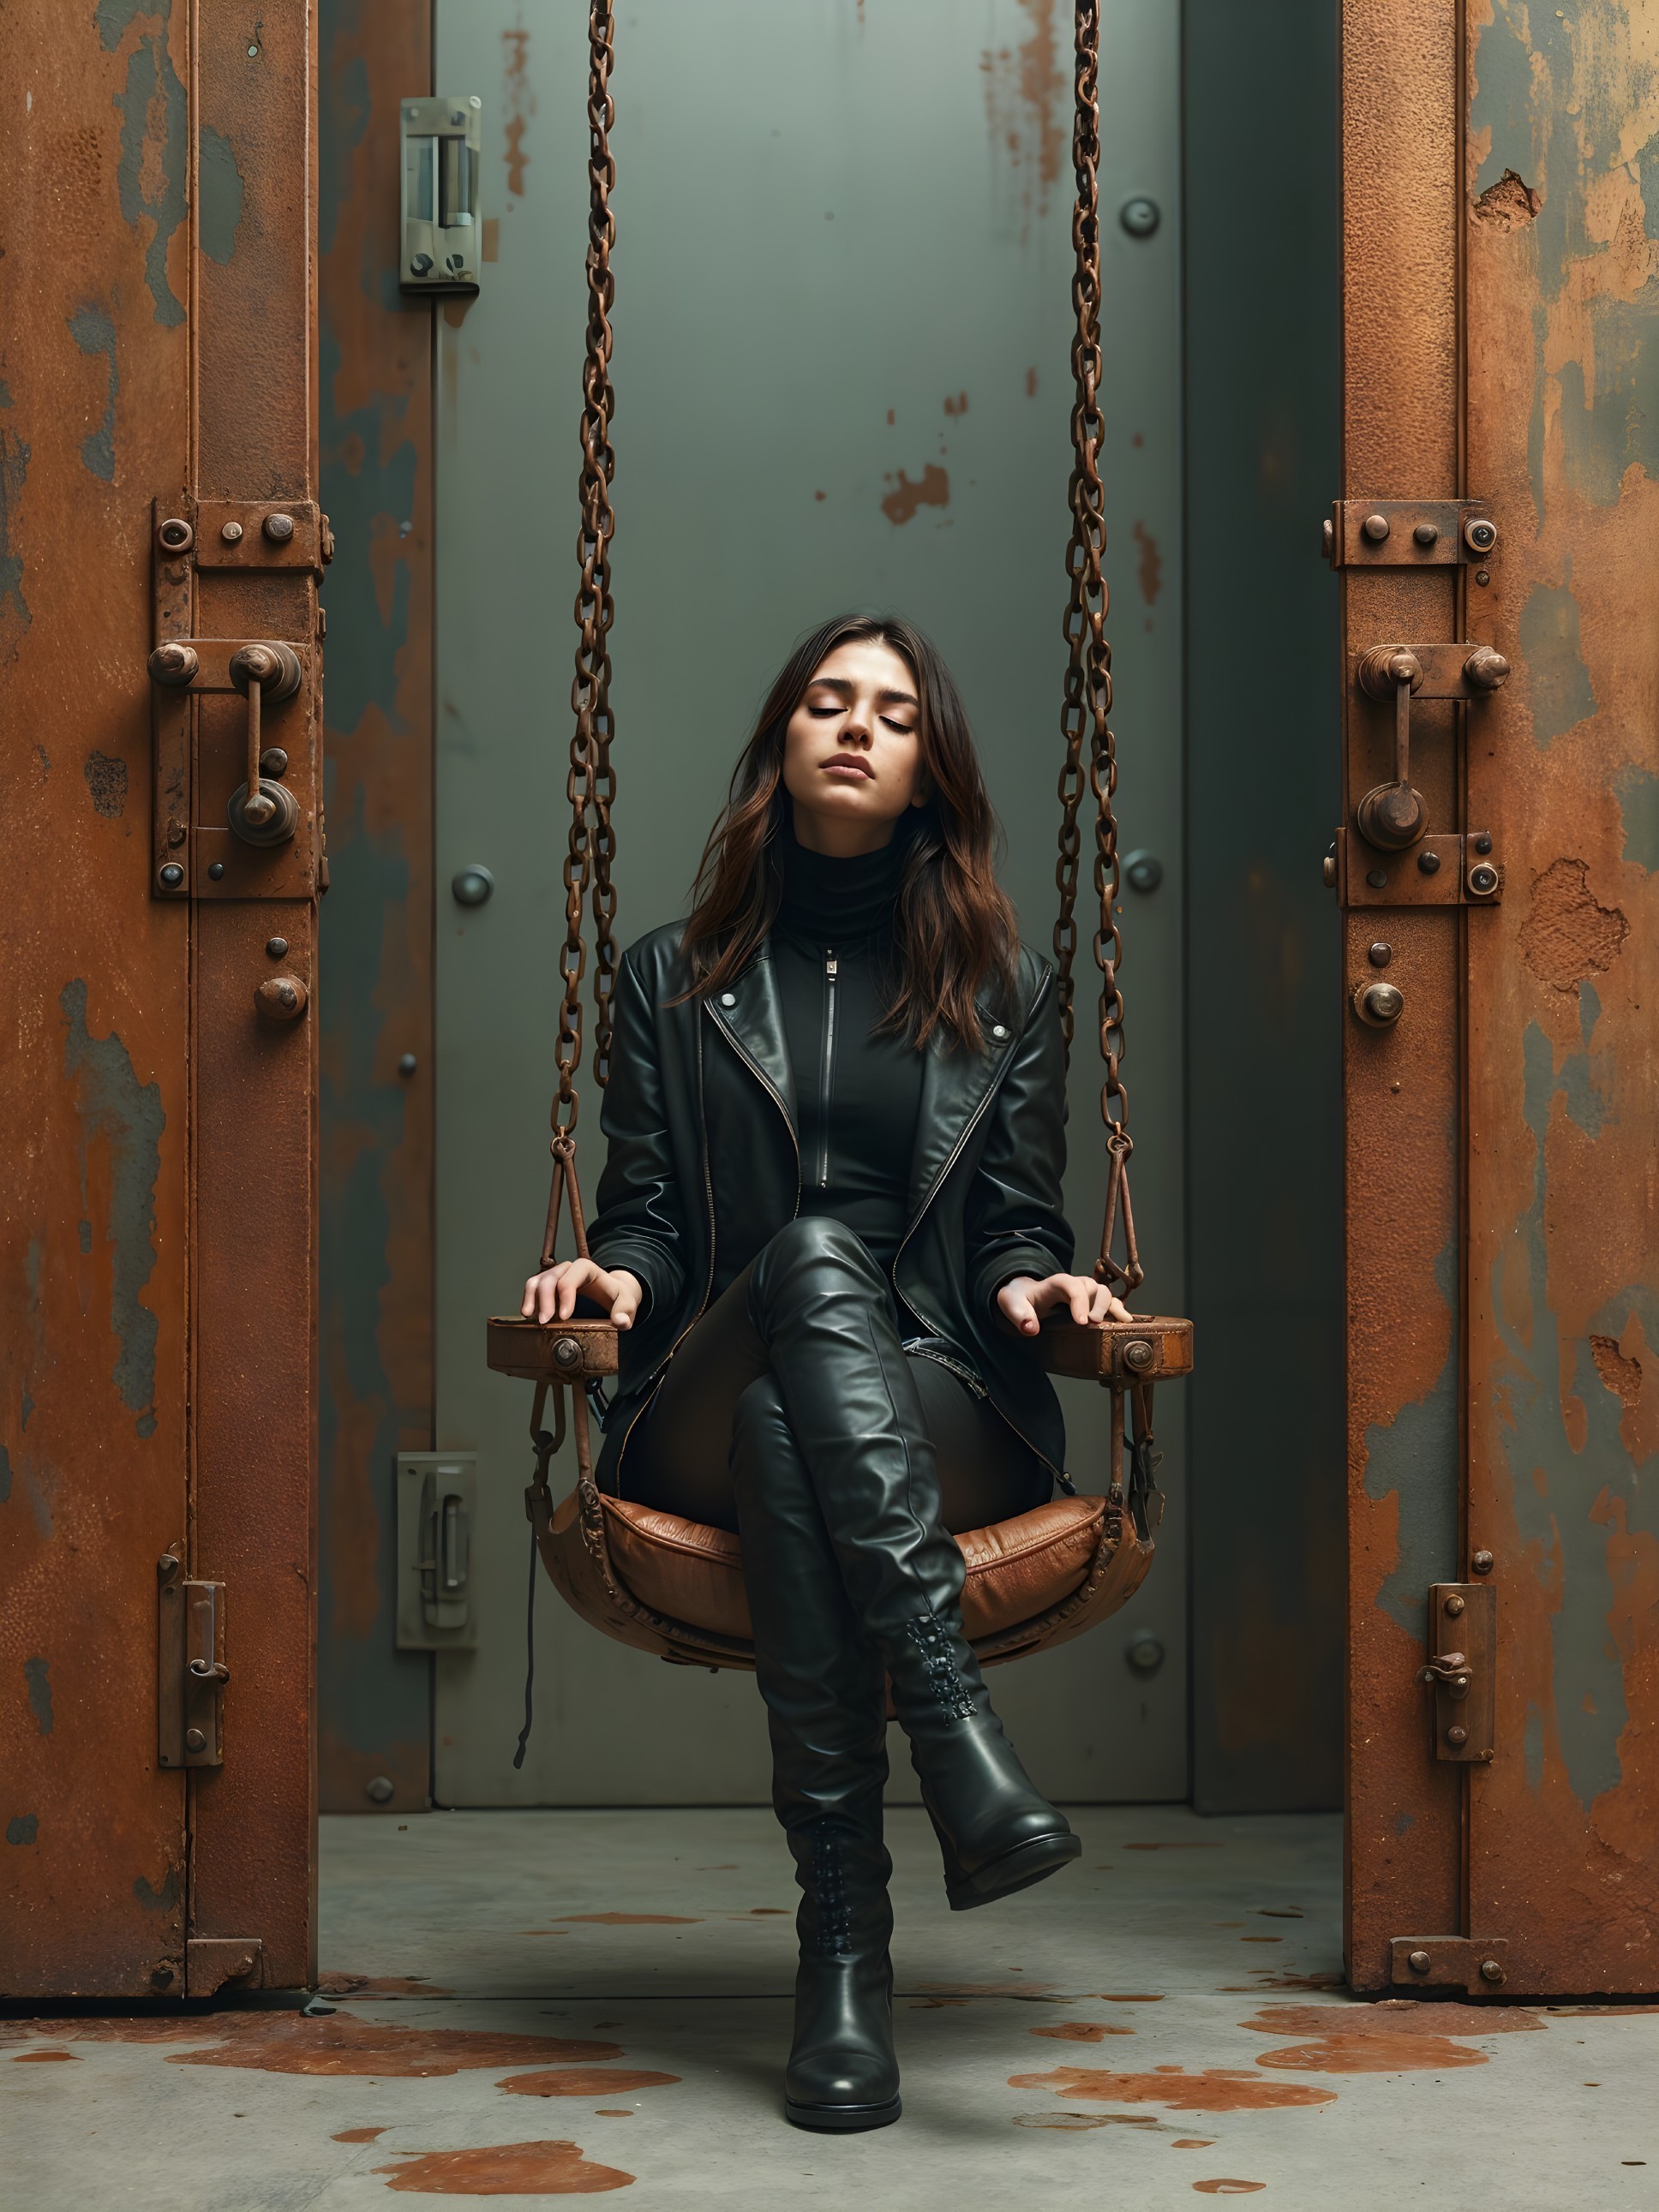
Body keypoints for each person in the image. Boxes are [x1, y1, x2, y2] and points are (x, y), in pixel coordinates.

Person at [522, 614, 1126, 2133]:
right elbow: (653, 1210)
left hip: (931, 1399)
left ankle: (841, 1938)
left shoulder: (1005, 983)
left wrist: (1034, 1280)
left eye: (895, 713)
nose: (855, 727)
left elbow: (1016, 1219)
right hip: (700, 1407)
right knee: (800, 1265)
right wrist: (618, 1272)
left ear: (929, 773)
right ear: (782, 743)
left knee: (807, 1413)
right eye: (825, 701)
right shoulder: (674, 976)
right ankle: (956, 1738)